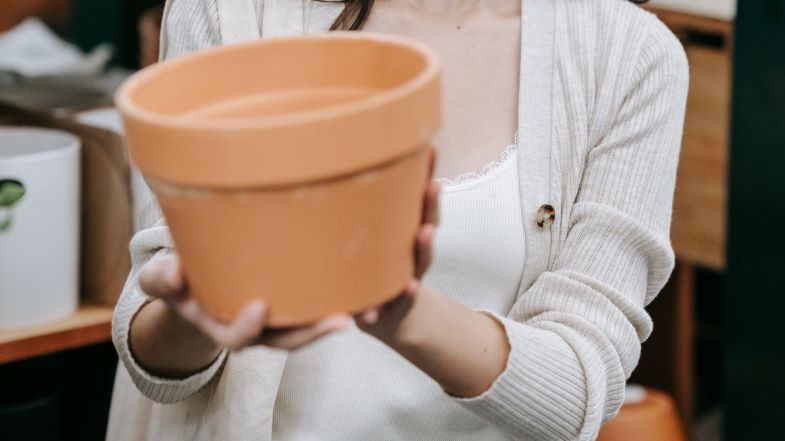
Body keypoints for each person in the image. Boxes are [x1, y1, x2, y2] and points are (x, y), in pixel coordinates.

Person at [107, 0, 689, 440]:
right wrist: (201, 310)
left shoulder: (629, 57)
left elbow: (578, 392)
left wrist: (398, 306)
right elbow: (153, 364)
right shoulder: (233, 12)